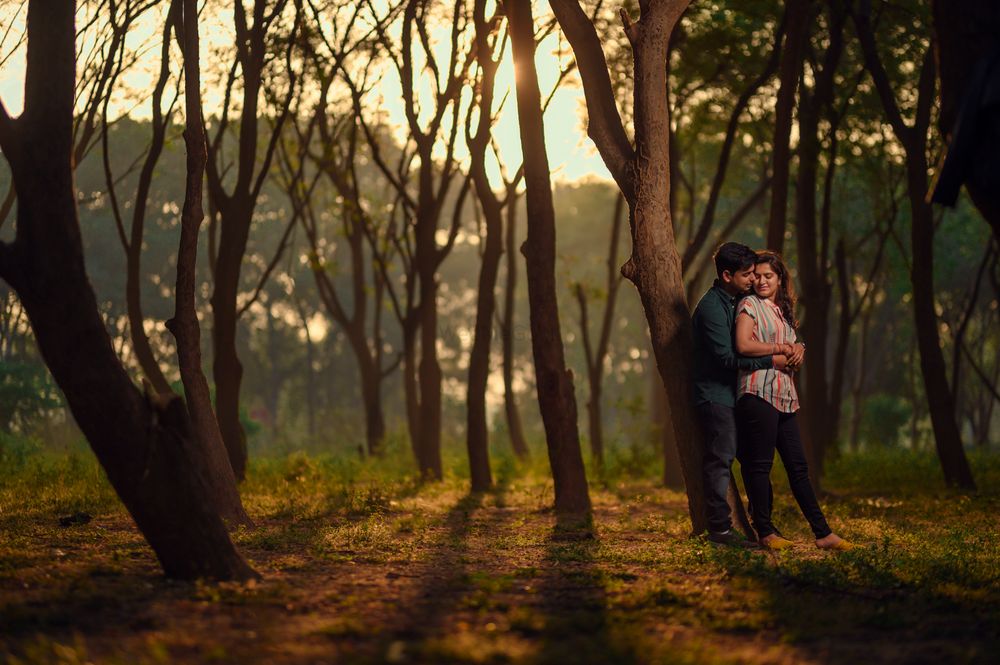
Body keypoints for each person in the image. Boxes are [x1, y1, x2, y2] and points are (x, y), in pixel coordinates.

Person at [734, 251, 852, 551]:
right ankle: (765, 532)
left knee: (799, 467)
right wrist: (782, 349)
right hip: (757, 392)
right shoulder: (749, 305)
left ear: (780, 279)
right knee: (760, 466)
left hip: (785, 396)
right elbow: (744, 344)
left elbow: (791, 353)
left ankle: (823, 534)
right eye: (757, 276)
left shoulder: (781, 312)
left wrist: (799, 349)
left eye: (768, 276)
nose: (761, 281)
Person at [691, 242, 788, 546]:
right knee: (720, 460)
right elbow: (727, 358)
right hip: (716, 397)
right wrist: (770, 359)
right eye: (747, 274)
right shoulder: (710, 308)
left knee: (755, 460)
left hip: (740, 396)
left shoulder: (740, 300)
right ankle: (719, 530)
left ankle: (765, 528)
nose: (753, 280)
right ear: (727, 275)